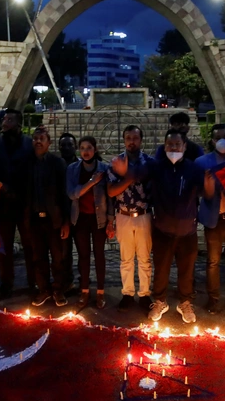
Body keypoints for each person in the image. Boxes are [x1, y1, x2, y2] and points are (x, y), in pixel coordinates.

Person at [132, 129, 214, 324]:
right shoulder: (156, 167)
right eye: (170, 145)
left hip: (188, 231)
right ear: (164, 146)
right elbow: (136, 176)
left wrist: (210, 186)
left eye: (177, 145)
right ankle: (160, 301)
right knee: (161, 269)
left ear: (184, 147)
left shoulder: (194, 169)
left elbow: (206, 195)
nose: (174, 148)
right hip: (162, 230)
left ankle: (185, 303)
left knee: (187, 271)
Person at [0, 108, 35, 297]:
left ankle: (34, 282)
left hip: (26, 201)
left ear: (19, 124)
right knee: (5, 247)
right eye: (3, 119)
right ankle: (6, 284)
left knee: (30, 245)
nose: (4, 122)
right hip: (4, 203)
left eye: (9, 119)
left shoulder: (29, 143)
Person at [195, 124, 225, 314]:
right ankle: (213, 298)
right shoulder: (202, 163)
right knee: (213, 261)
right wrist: (207, 187)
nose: (221, 140)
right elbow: (198, 192)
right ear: (212, 140)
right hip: (214, 218)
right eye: (217, 137)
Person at [108, 125, 155, 312]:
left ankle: (144, 294)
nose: (131, 142)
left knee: (144, 258)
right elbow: (111, 191)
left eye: (135, 138)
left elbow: (152, 189)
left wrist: (125, 176)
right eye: (128, 138)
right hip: (124, 215)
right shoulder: (116, 162)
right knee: (126, 258)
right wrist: (128, 178)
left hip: (144, 215)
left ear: (141, 140)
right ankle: (127, 293)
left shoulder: (150, 163)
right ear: (124, 139)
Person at [25, 127, 70, 307]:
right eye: (35, 138)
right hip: (35, 219)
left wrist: (66, 221)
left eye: (42, 138)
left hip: (54, 220)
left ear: (49, 142)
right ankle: (43, 289)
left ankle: (58, 290)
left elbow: (64, 194)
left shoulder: (57, 163)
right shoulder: (27, 163)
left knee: (58, 258)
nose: (38, 141)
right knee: (38, 257)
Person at [67, 136, 114, 309]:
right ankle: (85, 290)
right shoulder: (72, 169)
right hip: (80, 219)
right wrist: (91, 182)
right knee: (83, 256)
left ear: (95, 149)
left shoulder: (104, 169)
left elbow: (110, 198)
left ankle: (100, 292)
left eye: (89, 148)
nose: (86, 151)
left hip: (98, 219)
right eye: (83, 148)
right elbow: (72, 194)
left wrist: (111, 220)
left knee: (100, 255)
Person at [58, 132, 78, 291]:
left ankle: (83, 282)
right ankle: (66, 282)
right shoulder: (56, 165)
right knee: (64, 252)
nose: (66, 148)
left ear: (75, 147)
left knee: (83, 252)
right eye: (63, 145)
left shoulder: (81, 164)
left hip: (80, 215)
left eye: (70, 145)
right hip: (62, 214)